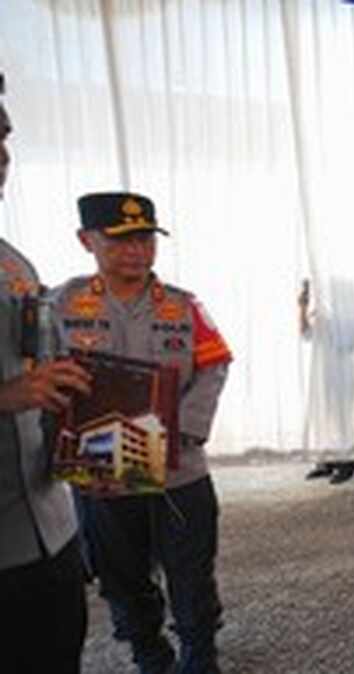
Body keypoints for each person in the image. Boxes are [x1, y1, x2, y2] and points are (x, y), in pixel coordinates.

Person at [51, 191, 232, 674]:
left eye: (146, 239)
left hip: (179, 470)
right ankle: (150, 654)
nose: (137, 251)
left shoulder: (182, 306)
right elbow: (37, 373)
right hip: (102, 473)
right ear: (87, 240)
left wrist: (186, 429)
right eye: (122, 240)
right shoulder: (60, 305)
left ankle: (199, 655)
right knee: (121, 574)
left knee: (191, 572)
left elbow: (215, 366)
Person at [0, 69, 92, 674]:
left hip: (51, 528)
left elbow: (43, 364)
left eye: (3, 136)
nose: (3, 155)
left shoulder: (14, 264)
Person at [298, 278, 354, 484]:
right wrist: (303, 306)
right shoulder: (322, 313)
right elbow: (305, 334)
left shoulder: (350, 316)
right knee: (325, 417)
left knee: (342, 419)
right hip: (324, 372)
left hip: (343, 372)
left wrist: (328, 324)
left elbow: (348, 345)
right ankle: (327, 461)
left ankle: (347, 463)